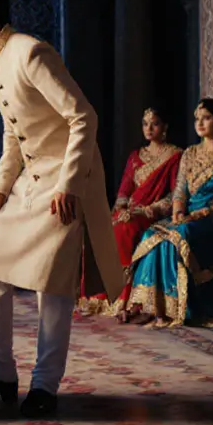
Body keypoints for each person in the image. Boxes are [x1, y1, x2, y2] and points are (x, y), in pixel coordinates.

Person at [0, 0, 121, 418]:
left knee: (53, 284)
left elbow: (84, 117)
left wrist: (68, 185)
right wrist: (1, 187)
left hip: (67, 177)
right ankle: (0, 373)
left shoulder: (31, 52)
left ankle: (45, 385)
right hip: (32, 176)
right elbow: (13, 130)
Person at [123, 98, 213, 328]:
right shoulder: (190, 153)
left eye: (206, 118)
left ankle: (190, 308)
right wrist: (178, 212)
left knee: (181, 235)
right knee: (152, 235)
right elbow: (179, 192)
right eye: (197, 119)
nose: (199, 123)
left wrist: (203, 213)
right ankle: (154, 308)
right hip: (189, 217)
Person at [78, 107, 182, 321]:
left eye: (154, 123)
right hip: (130, 212)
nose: (149, 128)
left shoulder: (175, 156)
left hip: (153, 213)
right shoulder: (136, 156)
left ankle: (122, 300)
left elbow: (174, 195)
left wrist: (144, 210)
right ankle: (98, 297)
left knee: (124, 231)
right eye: (145, 124)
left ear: (165, 127)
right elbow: (124, 192)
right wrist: (122, 209)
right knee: (100, 231)